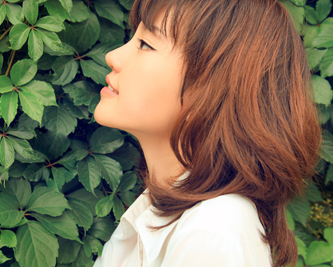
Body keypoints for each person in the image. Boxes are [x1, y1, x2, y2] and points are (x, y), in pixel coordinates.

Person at [93, 0, 321, 266]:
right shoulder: (157, 210)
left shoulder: (212, 231)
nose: (113, 56)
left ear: (211, 91)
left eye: (146, 44)